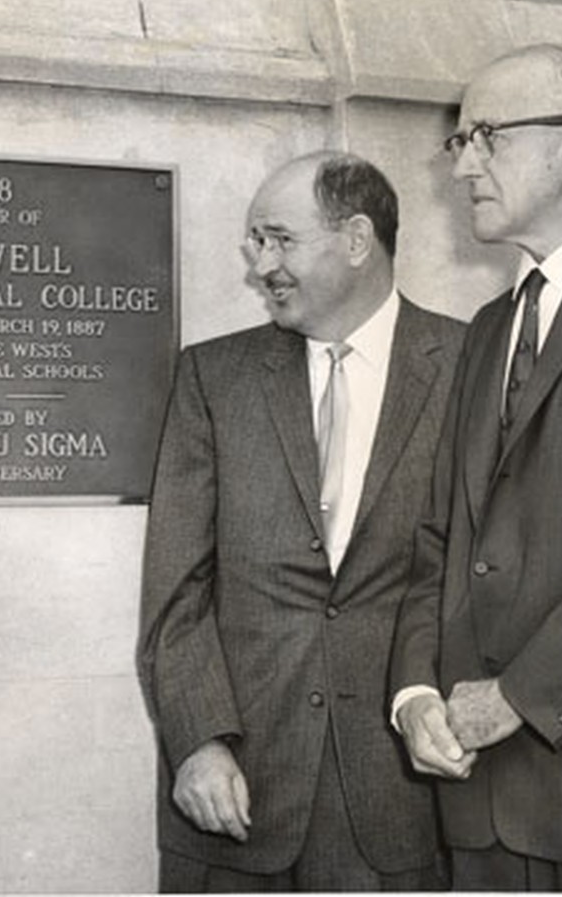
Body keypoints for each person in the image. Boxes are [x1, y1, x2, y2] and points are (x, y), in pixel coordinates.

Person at [138, 150, 464, 891]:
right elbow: (175, 590)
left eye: (279, 239)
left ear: (356, 239)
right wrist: (198, 740)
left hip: (404, 804)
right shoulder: (212, 377)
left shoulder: (468, 365)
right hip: (236, 796)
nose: (260, 266)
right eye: (256, 241)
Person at [390, 42, 562, 891]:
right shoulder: (489, 329)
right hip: (477, 807)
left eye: (487, 137)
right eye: (459, 142)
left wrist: (518, 694)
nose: (460, 168)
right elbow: (439, 538)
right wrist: (414, 695)